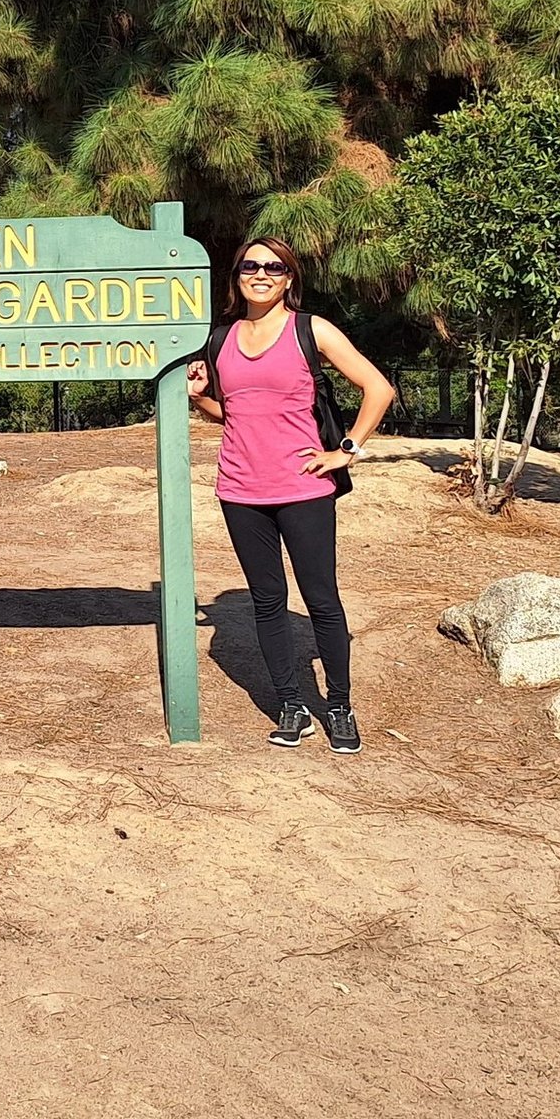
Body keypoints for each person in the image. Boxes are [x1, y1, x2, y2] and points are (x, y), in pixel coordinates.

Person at [185, 236, 397, 753]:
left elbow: (379, 388)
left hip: (303, 488)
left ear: (289, 278)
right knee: (267, 600)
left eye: (273, 267)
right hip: (239, 488)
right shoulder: (221, 338)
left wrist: (346, 449)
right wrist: (200, 398)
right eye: (250, 266)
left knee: (321, 599)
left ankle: (340, 706)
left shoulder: (312, 330)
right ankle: (290, 705)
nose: (261, 274)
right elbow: (231, 412)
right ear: (236, 276)